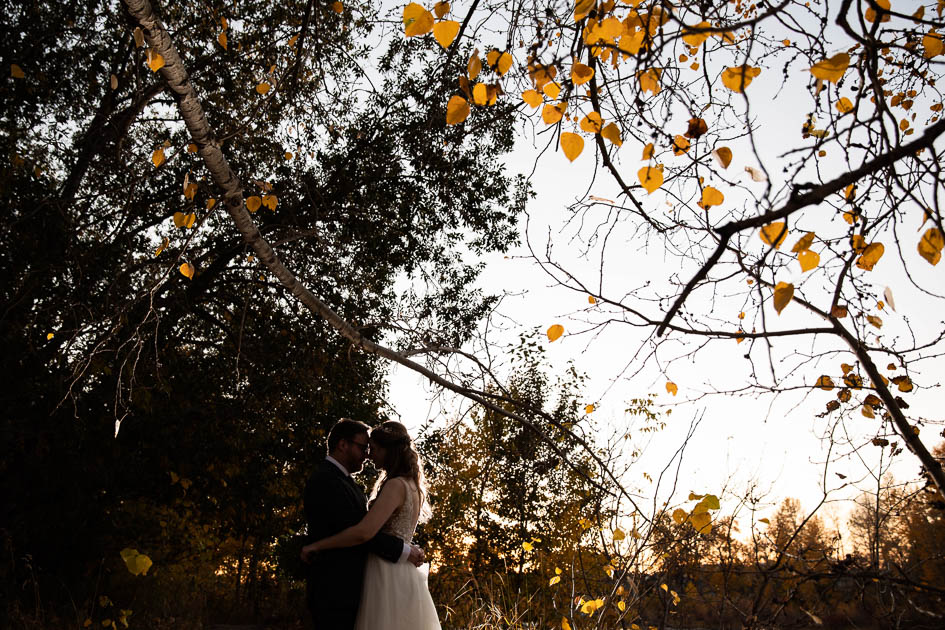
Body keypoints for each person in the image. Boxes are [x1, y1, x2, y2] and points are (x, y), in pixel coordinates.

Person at [302, 421, 440, 630]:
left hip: (385, 572)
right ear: (343, 445)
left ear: (388, 450)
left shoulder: (394, 485)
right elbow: (361, 530)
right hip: (341, 585)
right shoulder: (327, 480)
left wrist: (317, 546)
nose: (368, 454)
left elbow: (363, 532)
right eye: (364, 447)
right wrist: (405, 549)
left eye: (372, 449)